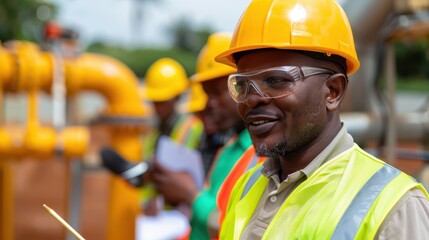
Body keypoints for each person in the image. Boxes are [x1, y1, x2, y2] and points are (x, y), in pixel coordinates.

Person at [215, 0, 429, 239]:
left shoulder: (394, 207)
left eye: (277, 80)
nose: (252, 99)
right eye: (242, 84)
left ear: (333, 91)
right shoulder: (247, 185)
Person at [151, 32, 255, 240]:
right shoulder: (230, 149)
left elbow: (238, 230)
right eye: (207, 95)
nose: (209, 104)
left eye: (217, 93)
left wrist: (189, 195)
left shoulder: (262, 153)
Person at [139, 57, 204, 215]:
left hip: (179, 214)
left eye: (162, 101)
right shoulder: (153, 132)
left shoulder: (191, 128)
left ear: (177, 97)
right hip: (154, 216)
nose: (157, 106)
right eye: (155, 101)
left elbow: (185, 175)